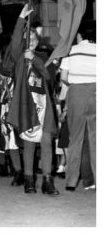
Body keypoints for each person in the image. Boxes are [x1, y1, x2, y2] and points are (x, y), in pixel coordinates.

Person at [4, 4, 59, 195]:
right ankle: (28, 179)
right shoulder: (19, 57)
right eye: (28, 38)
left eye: (35, 38)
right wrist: (21, 19)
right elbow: (15, 44)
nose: (32, 41)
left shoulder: (44, 55)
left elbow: (48, 75)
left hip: (43, 104)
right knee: (28, 142)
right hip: (26, 104)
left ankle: (47, 180)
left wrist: (34, 58)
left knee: (45, 140)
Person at [60, 20, 96, 191]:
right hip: (97, 92)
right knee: (97, 140)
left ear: (79, 35)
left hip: (76, 94)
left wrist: (77, 81)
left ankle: (71, 182)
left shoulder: (71, 51)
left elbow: (64, 77)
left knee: (75, 139)